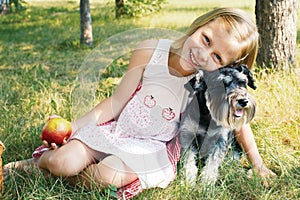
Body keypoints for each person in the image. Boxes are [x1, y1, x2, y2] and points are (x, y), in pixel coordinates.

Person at [3, 7, 276, 199]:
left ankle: (59, 174)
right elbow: (116, 102)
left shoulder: (211, 84)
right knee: (63, 160)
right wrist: (71, 128)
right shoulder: (150, 51)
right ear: (199, 24)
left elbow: (237, 121)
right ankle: (40, 164)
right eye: (206, 39)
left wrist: (258, 162)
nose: (204, 54)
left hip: (152, 148)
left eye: (218, 58)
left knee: (106, 177)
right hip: (118, 130)